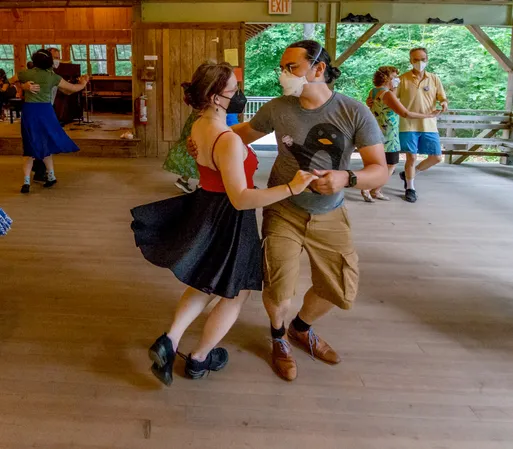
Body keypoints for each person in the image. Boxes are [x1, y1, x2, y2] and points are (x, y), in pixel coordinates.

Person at [189, 40, 388, 381]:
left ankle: (301, 327)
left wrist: (347, 177)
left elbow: (380, 169)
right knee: (279, 291)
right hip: (283, 207)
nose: (283, 75)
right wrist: (205, 140)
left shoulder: (354, 111)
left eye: (291, 67)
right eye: (282, 68)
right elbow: (240, 135)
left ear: (318, 69)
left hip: (330, 212)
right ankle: (279, 336)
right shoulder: (278, 108)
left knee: (340, 290)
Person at [130, 61, 316, 386]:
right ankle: (200, 358)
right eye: (234, 89)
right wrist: (290, 188)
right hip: (229, 218)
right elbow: (241, 198)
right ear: (216, 97)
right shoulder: (226, 140)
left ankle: (170, 340)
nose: (239, 93)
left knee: (204, 280)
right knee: (236, 292)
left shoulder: (199, 126)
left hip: (207, 208)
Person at [9, 49, 88, 194]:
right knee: (46, 141)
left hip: (29, 111)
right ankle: (50, 176)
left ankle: (26, 181)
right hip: (46, 111)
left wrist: (23, 86)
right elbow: (72, 88)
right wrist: (83, 83)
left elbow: (9, 81)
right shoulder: (53, 76)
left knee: (29, 145)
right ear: (49, 62)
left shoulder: (25, 73)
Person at [361, 66, 440, 203]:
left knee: (380, 163)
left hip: (376, 131)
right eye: (395, 77)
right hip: (389, 134)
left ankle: (375, 190)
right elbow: (405, 113)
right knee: (391, 164)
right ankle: (370, 188)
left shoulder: (373, 92)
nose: (397, 80)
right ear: (388, 78)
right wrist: (428, 115)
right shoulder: (387, 94)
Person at [396, 47, 448, 203]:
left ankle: (409, 174)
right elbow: (389, 96)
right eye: (416, 59)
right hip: (408, 124)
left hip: (429, 124)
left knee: (436, 157)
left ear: (427, 59)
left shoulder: (434, 79)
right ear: (410, 60)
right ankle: (410, 188)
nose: (420, 62)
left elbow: (442, 97)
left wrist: (444, 103)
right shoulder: (402, 79)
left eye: (423, 59)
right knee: (411, 157)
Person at [163, 110, 201, 193]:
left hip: (195, 117)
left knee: (193, 148)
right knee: (200, 150)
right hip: (202, 118)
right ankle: (201, 185)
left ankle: (184, 180)